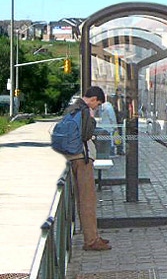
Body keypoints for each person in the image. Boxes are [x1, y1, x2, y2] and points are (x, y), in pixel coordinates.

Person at [63, 86, 111, 251]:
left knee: (85, 200)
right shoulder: (83, 110)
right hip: (82, 159)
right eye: (97, 104)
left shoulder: (73, 107)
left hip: (75, 157)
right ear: (93, 99)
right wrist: (91, 119)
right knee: (88, 200)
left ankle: (93, 236)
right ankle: (91, 240)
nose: (96, 108)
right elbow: (86, 134)